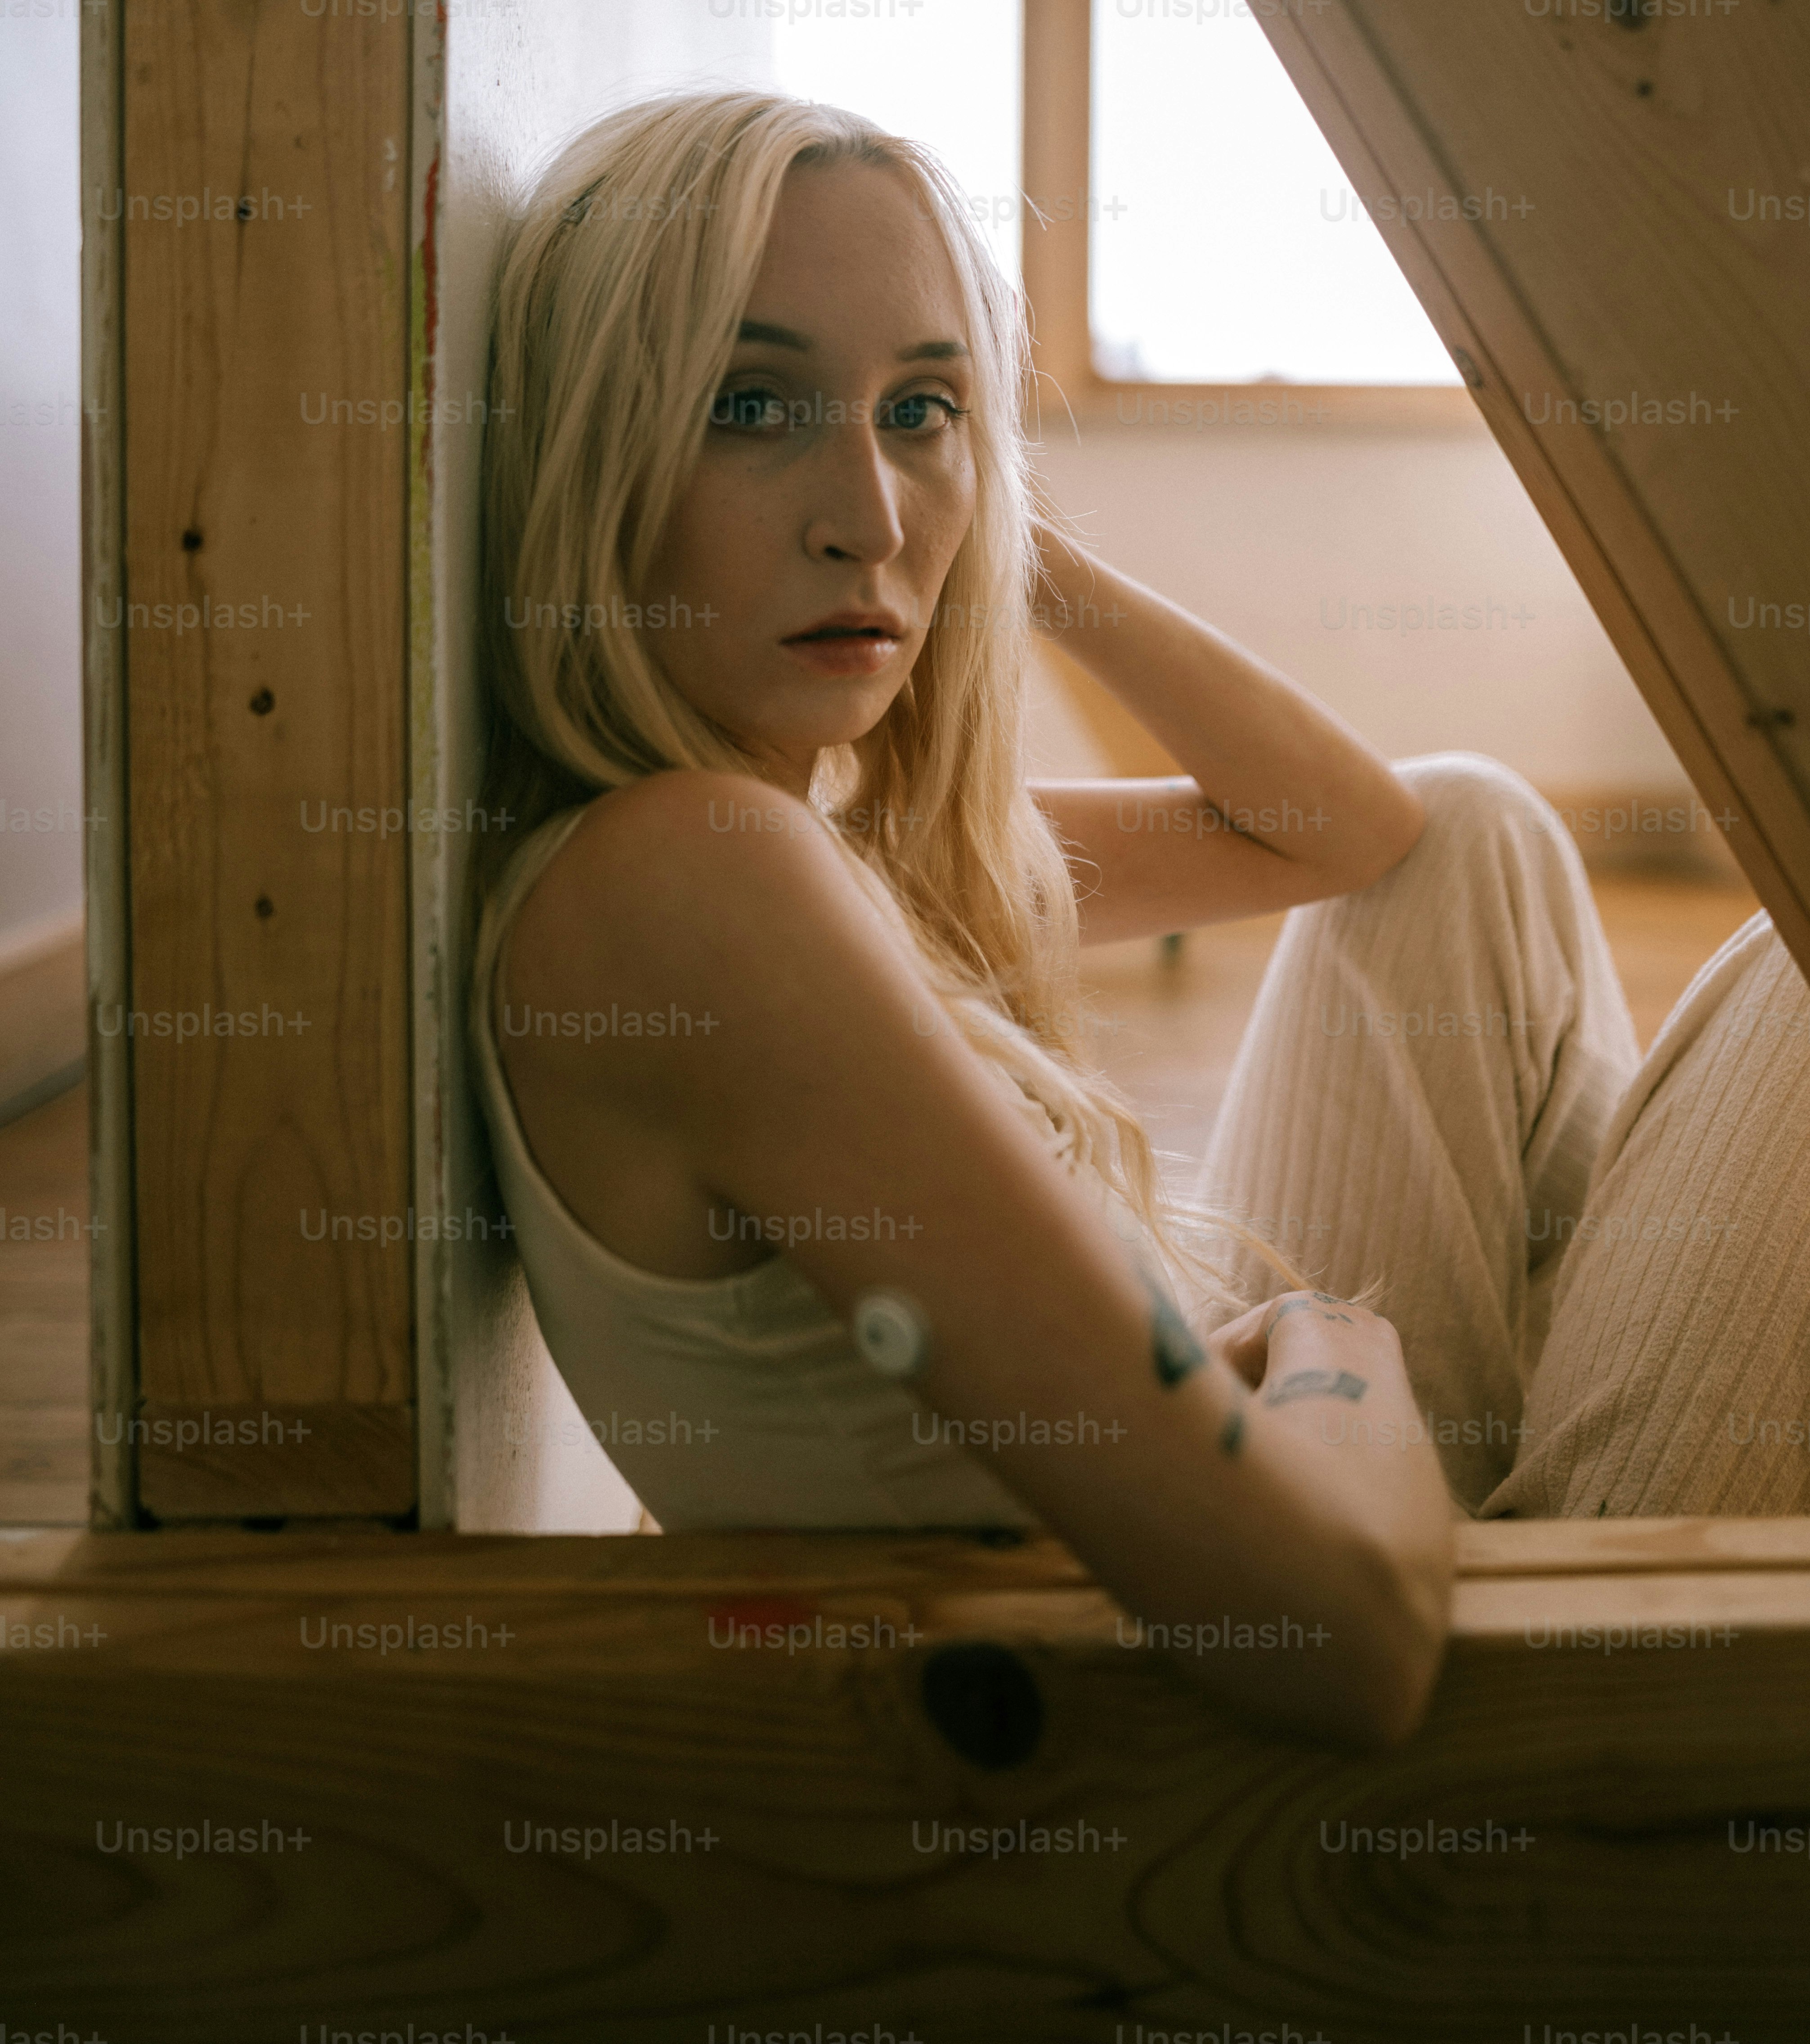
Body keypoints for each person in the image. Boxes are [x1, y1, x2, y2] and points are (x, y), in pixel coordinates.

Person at [467, 87, 1810, 1748]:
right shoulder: (692, 885)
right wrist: (1334, 1349)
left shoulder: (782, 844)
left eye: (921, 410)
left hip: (1268, 1550)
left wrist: (997, 540)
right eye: (753, 403)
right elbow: (1341, 1641)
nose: (869, 517)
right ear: (593, 447)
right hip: (1351, 1762)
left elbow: (1353, 830)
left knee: (1469, 824)